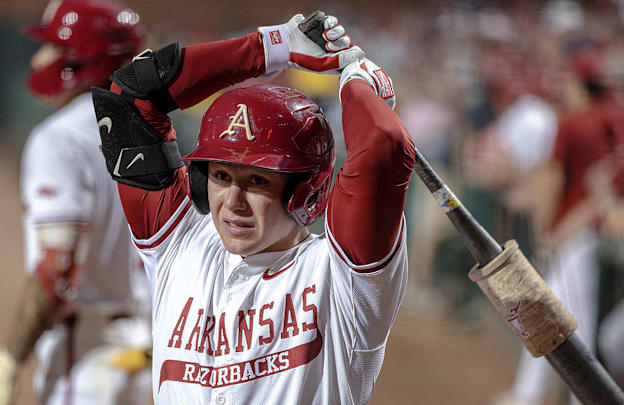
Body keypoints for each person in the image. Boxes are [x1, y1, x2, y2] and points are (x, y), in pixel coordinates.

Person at [91, 12, 414, 404]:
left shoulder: (344, 281)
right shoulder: (178, 245)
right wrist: (271, 46)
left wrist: (358, 84)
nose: (233, 201)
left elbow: (382, 146)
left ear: (305, 191)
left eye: (257, 180)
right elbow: (130, 96)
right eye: (221, 176)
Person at [0, 1, 153, 404]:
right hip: (149, 349)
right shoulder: (153, 129)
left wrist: (7, 361)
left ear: (81, 59)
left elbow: (57, 269)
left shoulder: (59, 139)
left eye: (53, 48)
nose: (39, 59)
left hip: (88, 356)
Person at [494, 39, 624, 405]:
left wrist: (547, 232)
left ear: (578, 83)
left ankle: (536, 395)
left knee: (557, 317)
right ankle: (549, 394)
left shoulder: (574, 122)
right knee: (577, 321)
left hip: (579, 234)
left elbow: (552, 179)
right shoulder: (616, 116)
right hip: (601, 231)